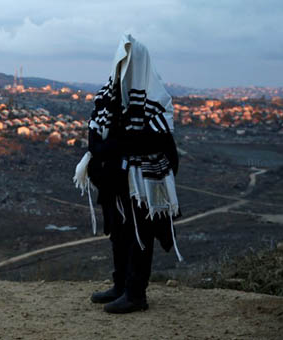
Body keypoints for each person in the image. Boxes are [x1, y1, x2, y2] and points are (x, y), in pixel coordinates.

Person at [73, 34, 183, 314]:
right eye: (121, 64)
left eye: (129, 64)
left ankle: (136, 293)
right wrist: (109, 150)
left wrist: (113, 147)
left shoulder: (156, 99)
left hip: (146, 181)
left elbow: (157, 140)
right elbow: (96, 134)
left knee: (141, 233)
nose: (124, 70)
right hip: (117, 179)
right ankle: (120, 284)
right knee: (119, 231)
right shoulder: (108, 97)